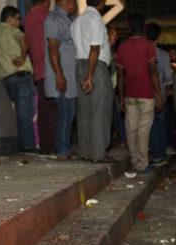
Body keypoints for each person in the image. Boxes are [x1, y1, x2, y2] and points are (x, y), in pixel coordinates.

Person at [117, 14, 163, 173]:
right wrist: (159, 95)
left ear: (128, 28)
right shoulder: (148, 45)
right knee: (144, 129)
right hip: (147, 94)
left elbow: (120, 76)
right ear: (144, 28)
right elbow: (154, 72)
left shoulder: (122, 47)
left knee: (131, 128)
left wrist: (122, 99)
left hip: (130, 94)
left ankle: (134, 160)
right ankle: (142, 163)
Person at [71, 0, 114, 162]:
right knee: (100, 109)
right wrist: (90, 75)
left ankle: (86, 151)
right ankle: (98, 153)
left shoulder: (76, 21)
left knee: (84, 110)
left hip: (80, 65)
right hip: (94, 66)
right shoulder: (95, 19)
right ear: (101, 3)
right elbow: (94, 48)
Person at [0, 6, 36, 153]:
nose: (19, 22)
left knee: (21, 112)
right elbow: (24, 38)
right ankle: (27, 146)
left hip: (7, 79)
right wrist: (23, 57)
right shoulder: (12, 31)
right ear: (10, 19)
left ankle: (24, 144)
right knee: (26, 113)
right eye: (17, 19)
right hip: (20, 76)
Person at [45, 0, 78, 158]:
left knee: (69, 112)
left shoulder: (65, 19)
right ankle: (62, 148)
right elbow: (52, 48)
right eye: (73, 1)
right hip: (62, 76)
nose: (75, 5)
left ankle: (65, 147)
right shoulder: (54, 20)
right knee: (65, 112)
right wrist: (59, 75)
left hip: (68, 76)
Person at [24, 0, 57, 154]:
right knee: (54, 110)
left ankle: (45, 146)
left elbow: (26, 42)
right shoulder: (48, 17)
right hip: (51, 68)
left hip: (38, 68)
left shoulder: (28, 18)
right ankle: (53, 145)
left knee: (44, 110)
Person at [146, 23, 173, 165]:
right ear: (158, 36)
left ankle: (150, 153)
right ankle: (159, 155)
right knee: (159, 126)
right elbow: (168, 78)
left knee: (146, 126)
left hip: (143, 93)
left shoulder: (141, 52)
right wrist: (165, 94)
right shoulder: (163, 55)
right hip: (159, 94)